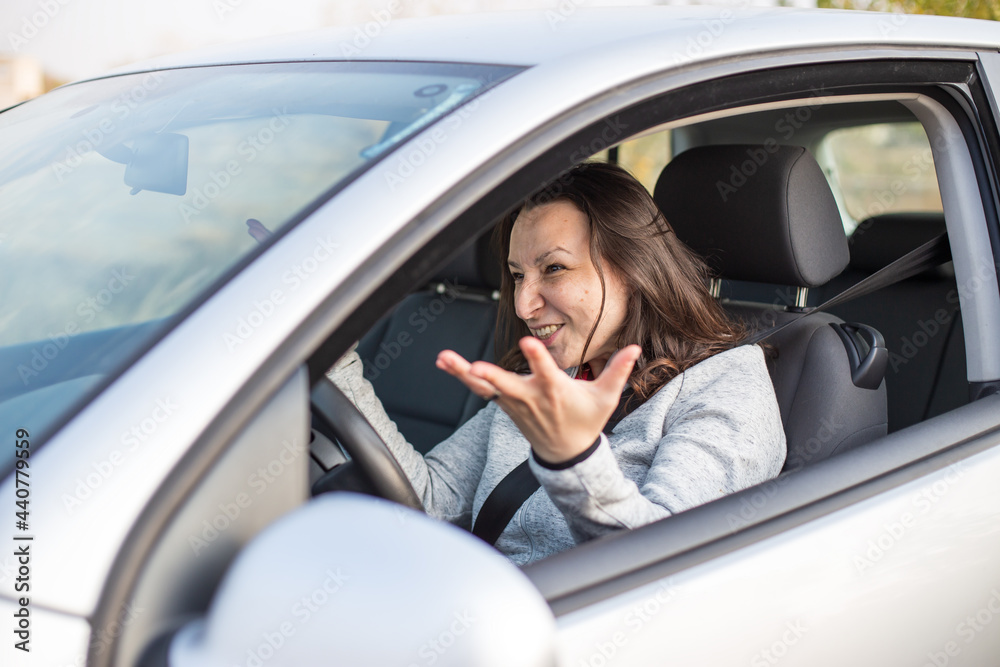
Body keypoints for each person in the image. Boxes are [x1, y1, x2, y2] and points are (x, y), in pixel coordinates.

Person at [327, 161, 786, 565]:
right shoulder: (546, 377)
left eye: (554, 268)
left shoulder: (727, 384)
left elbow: (661, 567)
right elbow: (428, 502)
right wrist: (332, 352)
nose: (524, 304)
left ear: (635, 268)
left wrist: (574, 457)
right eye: (517, 275)